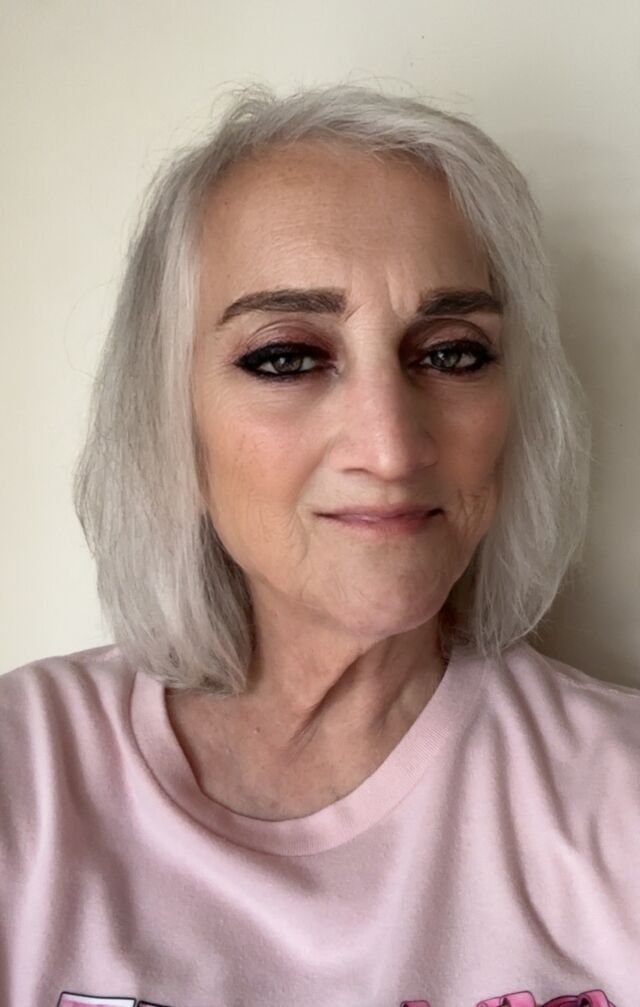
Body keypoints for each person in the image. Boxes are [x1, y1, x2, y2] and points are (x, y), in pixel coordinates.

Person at [1, 82, 638, 1007]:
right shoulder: (25, 773)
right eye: (287, 356)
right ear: (172, 417)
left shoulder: (617, 797)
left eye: (452, 352)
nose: (392, 448)